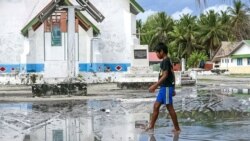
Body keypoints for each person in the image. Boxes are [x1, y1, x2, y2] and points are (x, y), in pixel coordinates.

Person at [147, 42, 180, 133]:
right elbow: (172, 74)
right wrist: (173, 87)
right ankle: (151, 127)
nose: (156, 55)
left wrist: (155, 86)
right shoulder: (167, 60)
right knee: (156, 106)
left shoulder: (165, 61)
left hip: (166, 88)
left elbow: (165, 75)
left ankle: (177, 128)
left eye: (157, 53)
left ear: (161, 51)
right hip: (164, 88)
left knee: (170, 108)